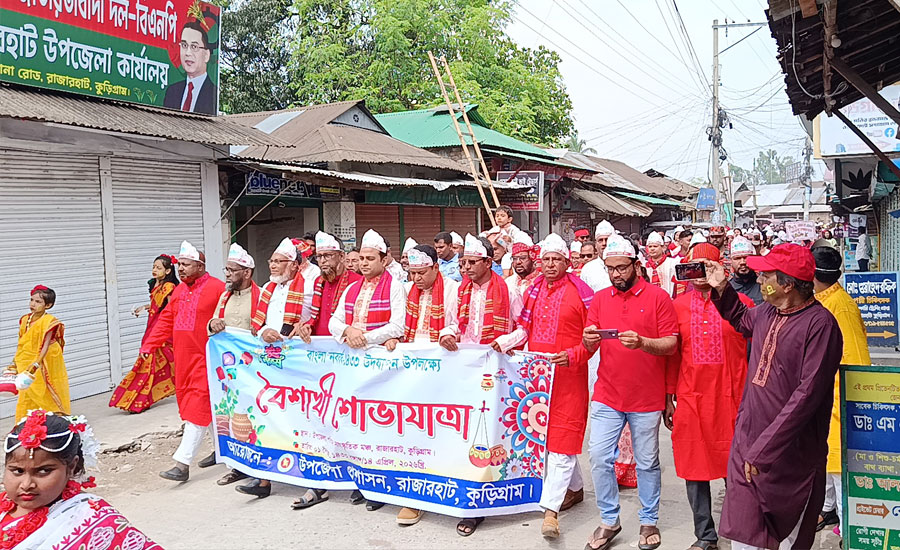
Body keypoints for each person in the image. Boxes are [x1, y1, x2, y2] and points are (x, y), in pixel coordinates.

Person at [703, 243, 843, 550]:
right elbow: (741, 319)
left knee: (789, 531)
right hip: (749, 442)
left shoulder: (821, 325)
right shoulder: (767, 312)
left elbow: (808, 395)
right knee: (745, 533)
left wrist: (764, 449)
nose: (759, 278)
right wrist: (722, 288)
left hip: (792, 453)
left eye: (766, 274)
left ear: (788, 284)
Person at [582, 234, 678, 550]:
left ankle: (648, 520)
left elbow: (671, 344)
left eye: (622, 268)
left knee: (648, 461)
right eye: (610, 269)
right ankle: (610, 520)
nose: (616, 275)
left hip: (646, 396)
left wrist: (644, 343)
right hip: (608, 393)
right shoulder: (600, 299)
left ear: (635, 265)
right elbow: (589, 343)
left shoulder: (658, 298)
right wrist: (588, 340)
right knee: (598, 456)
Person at [497, 234, 595, 539]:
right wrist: (505, 344)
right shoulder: (535, 290)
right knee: (550, 437)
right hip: (537, 378)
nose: (550, 265)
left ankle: (550, 512)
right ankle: (575, 489)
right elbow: (524, 329)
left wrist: (573, 356)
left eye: (557, 260)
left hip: (569, 376)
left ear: (567, 262)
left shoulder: (583, 293)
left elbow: (591, 339)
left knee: (562, 437)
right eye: (546, 260)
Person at [669, 243, 753, 550]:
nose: (698, 272)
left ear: (719, 268)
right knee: (695, 468)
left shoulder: (741, 303)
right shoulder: (676, 305)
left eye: (705, 265)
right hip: (692, 398)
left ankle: (741, 529)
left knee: (738, 468)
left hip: (734, 397)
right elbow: (672, 355)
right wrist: (668, 397)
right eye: (693, 265)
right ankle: (705, 536)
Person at [440, 234, 522, 537]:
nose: (466, 268)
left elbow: (524, 327)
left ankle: (480, 504)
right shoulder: (460, 291)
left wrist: (505, 340)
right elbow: (452, 324)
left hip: (495, 372)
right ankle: (464, 497)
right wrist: (447, 334)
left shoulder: (508, 290)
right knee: (462, 435)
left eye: (472, 263)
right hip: (464, 372)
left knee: (487, 438)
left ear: (489, 262)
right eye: (463, 263)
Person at [2, 410, 162, 549]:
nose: (27, 484)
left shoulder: (95, 521)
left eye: (44, 471)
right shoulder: (4, 507)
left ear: (71, 467)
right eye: (17, 471)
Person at [328, 229, 405, 511]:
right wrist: (349, 330)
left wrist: (365, 337)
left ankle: (379, 488)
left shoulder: (395, 286)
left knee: (380, 428)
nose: (363, 263)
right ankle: (361, 482)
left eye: (370, 259)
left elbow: (398, 326)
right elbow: (335, 322)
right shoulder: (352, 288)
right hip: (353, 365)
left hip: (380, 368)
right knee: (355, 424)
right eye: (361, 258)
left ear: (384, 261)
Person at [384, 244, 459, 526]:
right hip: (411, 370)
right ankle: (414, 497)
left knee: (444, 432)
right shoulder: (405, 291)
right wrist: (393, 339)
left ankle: (446, 487)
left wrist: (449, 333)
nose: (416, 279)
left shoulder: (452, 289)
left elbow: (458, 323)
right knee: (413, 432)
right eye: (412, 273)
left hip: (444, 368)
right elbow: (399, 326)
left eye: (421, 273)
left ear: (436, 268)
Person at [140, 240, 225, 482]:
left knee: (197, 407)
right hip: (183, 359)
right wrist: (149, 345)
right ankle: (223, 451)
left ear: (200, 266)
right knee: (200, 405)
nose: (181, 269)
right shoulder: (178, 291)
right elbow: (166, 320)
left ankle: (182, 463)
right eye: (180, 265)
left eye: (186, 265)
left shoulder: (217, 288)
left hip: (208, 358)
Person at [811, 245, 870, 538]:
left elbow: (857, 362)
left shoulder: (841, 306)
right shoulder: (824, 300)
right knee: (829, 462)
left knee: (840, 467)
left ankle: (850, 531)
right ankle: (829, 510)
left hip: (839, 399)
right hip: (825, 399)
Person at [206, 244, 262, 491]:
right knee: (231, 417)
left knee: (255, 421)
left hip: (257, 372)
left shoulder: (262, 296)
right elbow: (213, 326)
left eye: (232, 270)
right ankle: (237, 466)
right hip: (230, 372)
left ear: (247, 272)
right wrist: (213, 323)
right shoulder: (224, 296)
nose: (227, 274)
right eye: (226, 270)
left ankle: (259, 470)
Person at [109, 255, 178, 413]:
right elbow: (157, 304)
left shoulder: (169, 287)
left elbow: (171, 308)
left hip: (161, 328)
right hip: (152, 325)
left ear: (168, 271)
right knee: (152, 363)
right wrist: (144, 307)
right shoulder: (156, 285)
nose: (154, 270)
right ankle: (141, 398)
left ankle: (139, 400)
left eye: (158, 268)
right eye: (154, 267)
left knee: (148, 363)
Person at [6, 286, 70, 421]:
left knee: (45, 389)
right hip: (25, 359)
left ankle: (54, 421)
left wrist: (36, 364)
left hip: (46, 360)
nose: (32, 304)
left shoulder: (49, 322)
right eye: (31, 300)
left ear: (48, 305)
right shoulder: (25, 319)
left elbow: (45, 345)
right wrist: (14, 363)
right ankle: (25, 423)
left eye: (38, 302)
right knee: (27, 392)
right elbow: (21, 341)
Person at [163, 21, 217, 114]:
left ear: (206, 55)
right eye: (184, 45)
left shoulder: (214, 94)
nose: (188, 53)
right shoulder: (172, 92)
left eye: (194, 47)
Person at [580, 220, 615, 292]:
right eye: (600, 240)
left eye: (607, 239)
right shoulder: (587, 269)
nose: (604, 243)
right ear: (596, 245)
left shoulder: (624, 266)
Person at [729, 236, 763, 305]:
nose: (742, 262)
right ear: (731, 261)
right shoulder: (727, 289)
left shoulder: (763, 285)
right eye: (737, 258)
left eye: (746, 257)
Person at [505, 233, 538, 299]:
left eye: (522, 258)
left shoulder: (541, 281)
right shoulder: (508, 283)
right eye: (514, 258)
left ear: (532, 258)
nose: (518, 262)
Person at [644, 232, 675, 296]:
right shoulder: (644, 266)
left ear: (663, 247)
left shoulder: (672, 263)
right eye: (650, 247)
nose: (652, 249)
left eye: (655, 246)